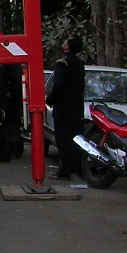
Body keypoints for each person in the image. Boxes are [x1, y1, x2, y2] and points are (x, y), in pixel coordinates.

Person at [45, 36, 85, 181]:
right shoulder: (80, 64)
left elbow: (58, 86)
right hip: (76, 108)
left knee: (63, 142)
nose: (63, 43)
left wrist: (49, 100)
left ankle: (64, 172)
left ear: (67, 47)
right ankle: (79, 169)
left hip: (63, 109)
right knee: (77, 140)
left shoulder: (63, 63)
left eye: (65, 41)